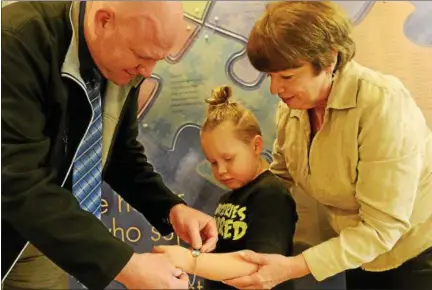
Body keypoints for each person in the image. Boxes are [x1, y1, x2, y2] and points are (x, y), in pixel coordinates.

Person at [1, 1, 218, 290]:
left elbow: (120, 153)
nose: (148, 71)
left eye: (157, 59)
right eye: (142, 56)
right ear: (104, 21)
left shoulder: (122, 63)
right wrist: (126, 266)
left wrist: (170, 207)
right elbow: (15, 180)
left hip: (47, 231)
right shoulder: (15, 40)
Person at [222, 2, 432, 290]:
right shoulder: (292, 109)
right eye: (270, 76)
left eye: (286, 77)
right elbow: (281, 177)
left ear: (330, 60)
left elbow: (383, 228)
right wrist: (237, 211)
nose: (274, 89)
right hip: (359, 252)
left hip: (416, 254)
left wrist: (293, 267)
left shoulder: (382, 105)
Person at [152, 85, 298, 290]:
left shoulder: (270, 195)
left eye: (228, 158)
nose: (220, 170)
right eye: (212, 162)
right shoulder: (227, 198)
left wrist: (189, 260)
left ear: (256, 146)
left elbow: (262, 266)